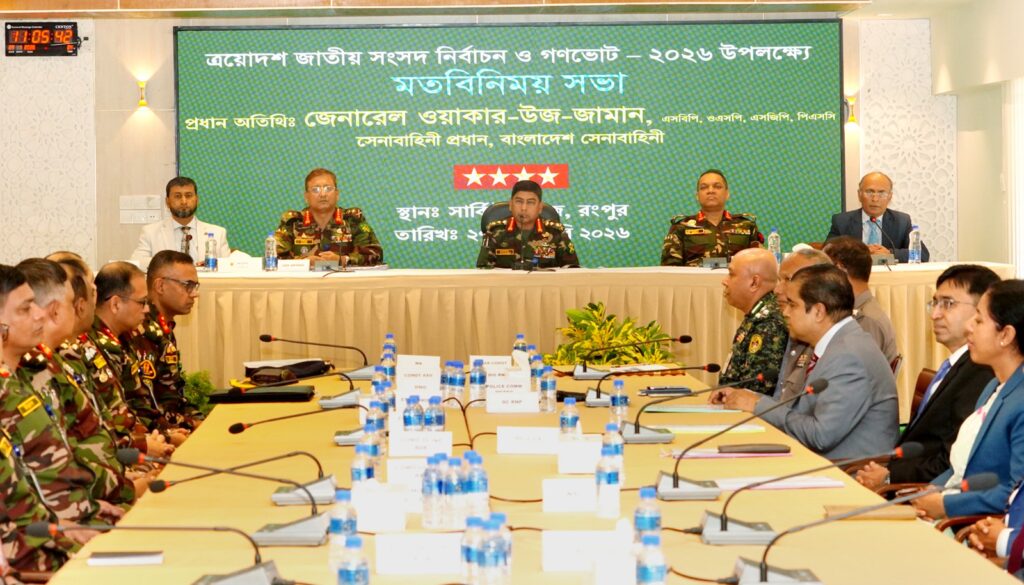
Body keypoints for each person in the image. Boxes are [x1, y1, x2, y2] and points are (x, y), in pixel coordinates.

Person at [711, 264, 899, 460]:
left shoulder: (849, 357)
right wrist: (749, 396)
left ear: (818, 311)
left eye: (792, 305)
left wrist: (757, 405)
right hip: (817, 459)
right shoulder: (839, 342)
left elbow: (820, 436)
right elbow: (802, 411)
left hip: (844, 470)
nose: (785, 312)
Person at [857, 265, 999, 490]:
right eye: (935, 303)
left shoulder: (980, 373)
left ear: (982, 310)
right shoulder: (957, 366)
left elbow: (952, 460)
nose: (935, 314)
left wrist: (890, 477)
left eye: (948, 304)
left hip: (924, 493)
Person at [15, 259, 134, 515]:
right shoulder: (28, 372)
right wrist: (124, 489)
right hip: (65, 511)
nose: (80, 308)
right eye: (25, 309)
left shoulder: (56, 360)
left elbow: (92, 430)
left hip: (85, 497)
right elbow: (55, 461)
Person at [911, 280, 1024, 521]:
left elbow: (1016, 493)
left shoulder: (1021, 403)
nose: (969, 327)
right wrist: (932, 490)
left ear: (1006, 335)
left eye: (979, 320)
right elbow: (961, 468)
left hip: (976, 526)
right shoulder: (993, 386)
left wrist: (947, 505)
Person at [0, 265, 102, 523]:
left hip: (56, 520)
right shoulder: (12, 387)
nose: (39, 315)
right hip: (35, 537)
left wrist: (88, 509)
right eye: (25, 309)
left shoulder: (20, 376)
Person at [90, 262, 178, 455]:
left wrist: (164, 433)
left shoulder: (124, 337)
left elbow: (138, 401)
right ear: (115, 304)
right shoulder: (95, 345)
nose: (147, 310)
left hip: (138, 438)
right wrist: (158, 439)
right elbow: (114, 415)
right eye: (142, 302)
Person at [127, 250, 203, 430]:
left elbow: (173, 398)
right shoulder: (142, 331)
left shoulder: (163, 327)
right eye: (188, 285)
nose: (194, 294)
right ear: (160, 286)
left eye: (195, 286)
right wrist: (193, 424)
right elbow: (147, 406)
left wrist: (198, 420)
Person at [275, 168, 383, 267]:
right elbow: (274, 258)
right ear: (306, 197)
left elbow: (375, 254)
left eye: (328, 188)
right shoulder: (292, 221)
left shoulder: (352, 219)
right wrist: (303, 262)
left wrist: (343, 260)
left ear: (337, 194)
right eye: (316, 190)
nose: (323, 194)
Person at [719, 248, 787, 395]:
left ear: (754, 282)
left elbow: (756, 389)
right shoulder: (758, 314)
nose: (724, 281)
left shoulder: (769, 322)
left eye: (731, 274)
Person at [661, 169, 763, 267]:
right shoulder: (681, 227)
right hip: (695, 279)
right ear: (697, 196)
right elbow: (669, 270)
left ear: (727, 194)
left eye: (717, 186)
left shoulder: (747, 226)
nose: (710, 191)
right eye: (704, 187)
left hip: (735, 279)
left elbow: (759, 266)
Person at [822, 236, 899, 362]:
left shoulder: (866, 321)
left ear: (840, 271)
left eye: (823, 270)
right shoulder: (852, 310)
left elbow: (856, 371)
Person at [825, 171, 930, 263]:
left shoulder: (902, 221)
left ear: (890, 196)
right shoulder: (842, 221)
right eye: (869, 192)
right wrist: (860, 253)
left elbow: (922, 255)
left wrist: (890, 253)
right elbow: (827, 253)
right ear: (859, 195)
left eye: (881, 193)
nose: (875, 199)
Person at [130, 177, 230, 268]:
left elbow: (229, 265)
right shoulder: (150, 232)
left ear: (197, 200)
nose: (184, 201)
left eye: (188, 195)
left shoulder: (218, 233)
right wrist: (171, 264)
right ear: (167, 202)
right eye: (177, 196)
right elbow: (137, 262)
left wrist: (214, 263)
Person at [477, 180, 579, 269]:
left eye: (530, 202)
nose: (524, 208)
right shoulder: (495, 233)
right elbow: (483, 270)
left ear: (540, 207)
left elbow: (572, 270)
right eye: (519, 201)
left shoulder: (556, 233)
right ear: (511, 205)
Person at [772, 249, 832, 401]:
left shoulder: (835, 345)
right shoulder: (799, 327)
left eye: (788, 279)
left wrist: (756, 404)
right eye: (779, 280)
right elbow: (783, 401)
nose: (777, 289)